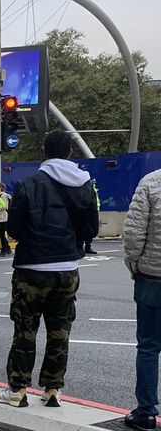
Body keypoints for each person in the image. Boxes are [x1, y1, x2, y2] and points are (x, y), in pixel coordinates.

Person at [0, 131, 99, 408]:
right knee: (60, 330)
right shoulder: (86, 185)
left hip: (31, 268)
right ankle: (53, 388)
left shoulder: (29, 184)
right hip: (66, 268)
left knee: (25, 329)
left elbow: (14, 229)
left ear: (43, 152)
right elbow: (91, 229)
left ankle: (17, 389)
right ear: (70, 154)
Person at [122, 168, 161, 430]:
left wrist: (135, 265)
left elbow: (134, 234)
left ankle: (146, 413)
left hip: (153, 275)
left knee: (148, 346)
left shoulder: (151, 182)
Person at [0, 182, 13, 257]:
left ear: (0, 187)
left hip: (2, 217)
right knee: (1, 234)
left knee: (1, 235)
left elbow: (4, 206)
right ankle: (7, 248)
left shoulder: (3, 196)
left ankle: (4, 250)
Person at [84, 179, 100, 254]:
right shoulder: (88, 189)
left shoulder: (92, 189)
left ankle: (88, 246)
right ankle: (87, 246)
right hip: (89, 212)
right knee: (87, 228)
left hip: (93, 211)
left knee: (90, 229)